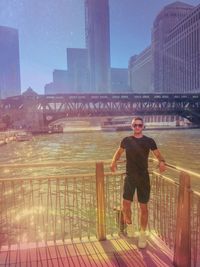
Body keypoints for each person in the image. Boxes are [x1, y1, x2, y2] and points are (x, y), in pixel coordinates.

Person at [110, 117, 166, 248]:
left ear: (143, 126)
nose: (137, 127)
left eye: (139, 125)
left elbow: (158, 155)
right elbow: (118, 153)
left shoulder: (149, 141)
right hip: (130, 177)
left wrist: (162, 162)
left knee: (143, 208)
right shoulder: (126, 140)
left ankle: (142, 235)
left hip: (143, 178)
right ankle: (129, 225)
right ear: (132, 126)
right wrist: (113, 162)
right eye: (135, 125)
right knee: (125, 204)